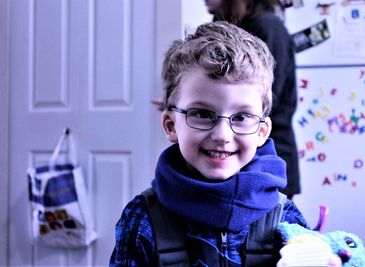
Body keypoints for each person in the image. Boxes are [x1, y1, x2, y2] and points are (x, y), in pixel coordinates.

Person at [110, 21, 340, 266]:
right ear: (170, 125)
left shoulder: (285, 219)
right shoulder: (141, 218)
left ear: (262, 131)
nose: (222, 135)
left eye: (241, 117)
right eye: (202, 114)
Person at [205, 0, 300, 199]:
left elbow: (267, 95)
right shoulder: (228, 27)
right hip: (237, 152)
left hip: (269, 154)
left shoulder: (268, 27)